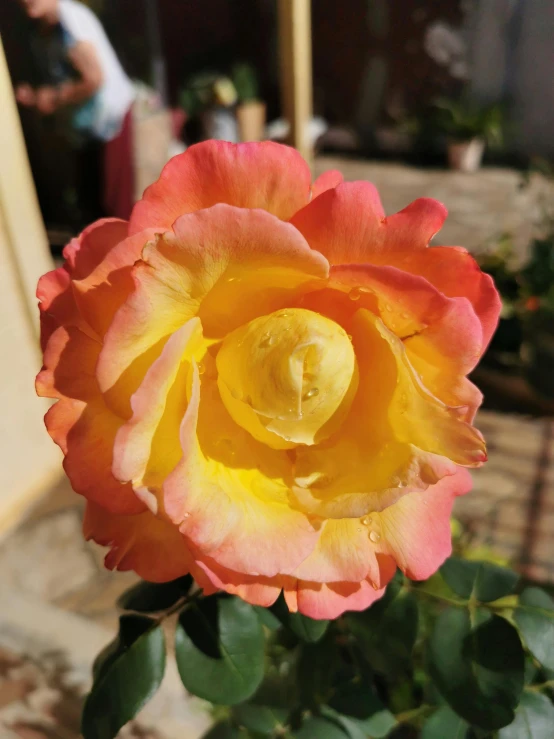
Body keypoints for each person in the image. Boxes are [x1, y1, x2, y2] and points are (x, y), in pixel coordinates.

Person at [15, 0, 136, 220]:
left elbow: (94, 79)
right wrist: (36, 97)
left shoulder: (71, 20)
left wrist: (53, 98)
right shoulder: (42, 31)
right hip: (85, 127)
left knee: (113, 209)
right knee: (92, 205)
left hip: (108, 121)